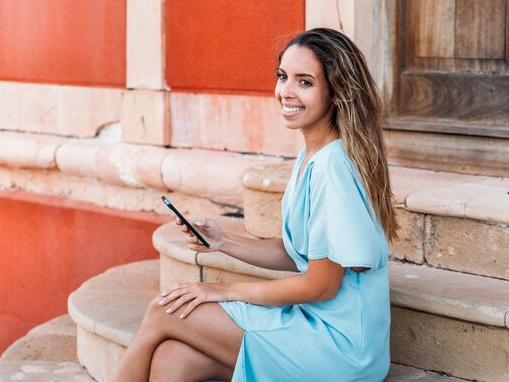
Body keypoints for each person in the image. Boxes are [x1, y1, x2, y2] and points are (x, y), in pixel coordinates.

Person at [112, 28, 399, 382]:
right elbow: (300, 253)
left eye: (304, 82)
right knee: (174, 359)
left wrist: (220, 291)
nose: (286, 92)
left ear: (336, 93)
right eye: (283, 77)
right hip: (313, 323)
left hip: (340, 347)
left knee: (165, 310)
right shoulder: (311, 156)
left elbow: (321, 285)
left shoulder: (333, 169)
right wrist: (223, 242)